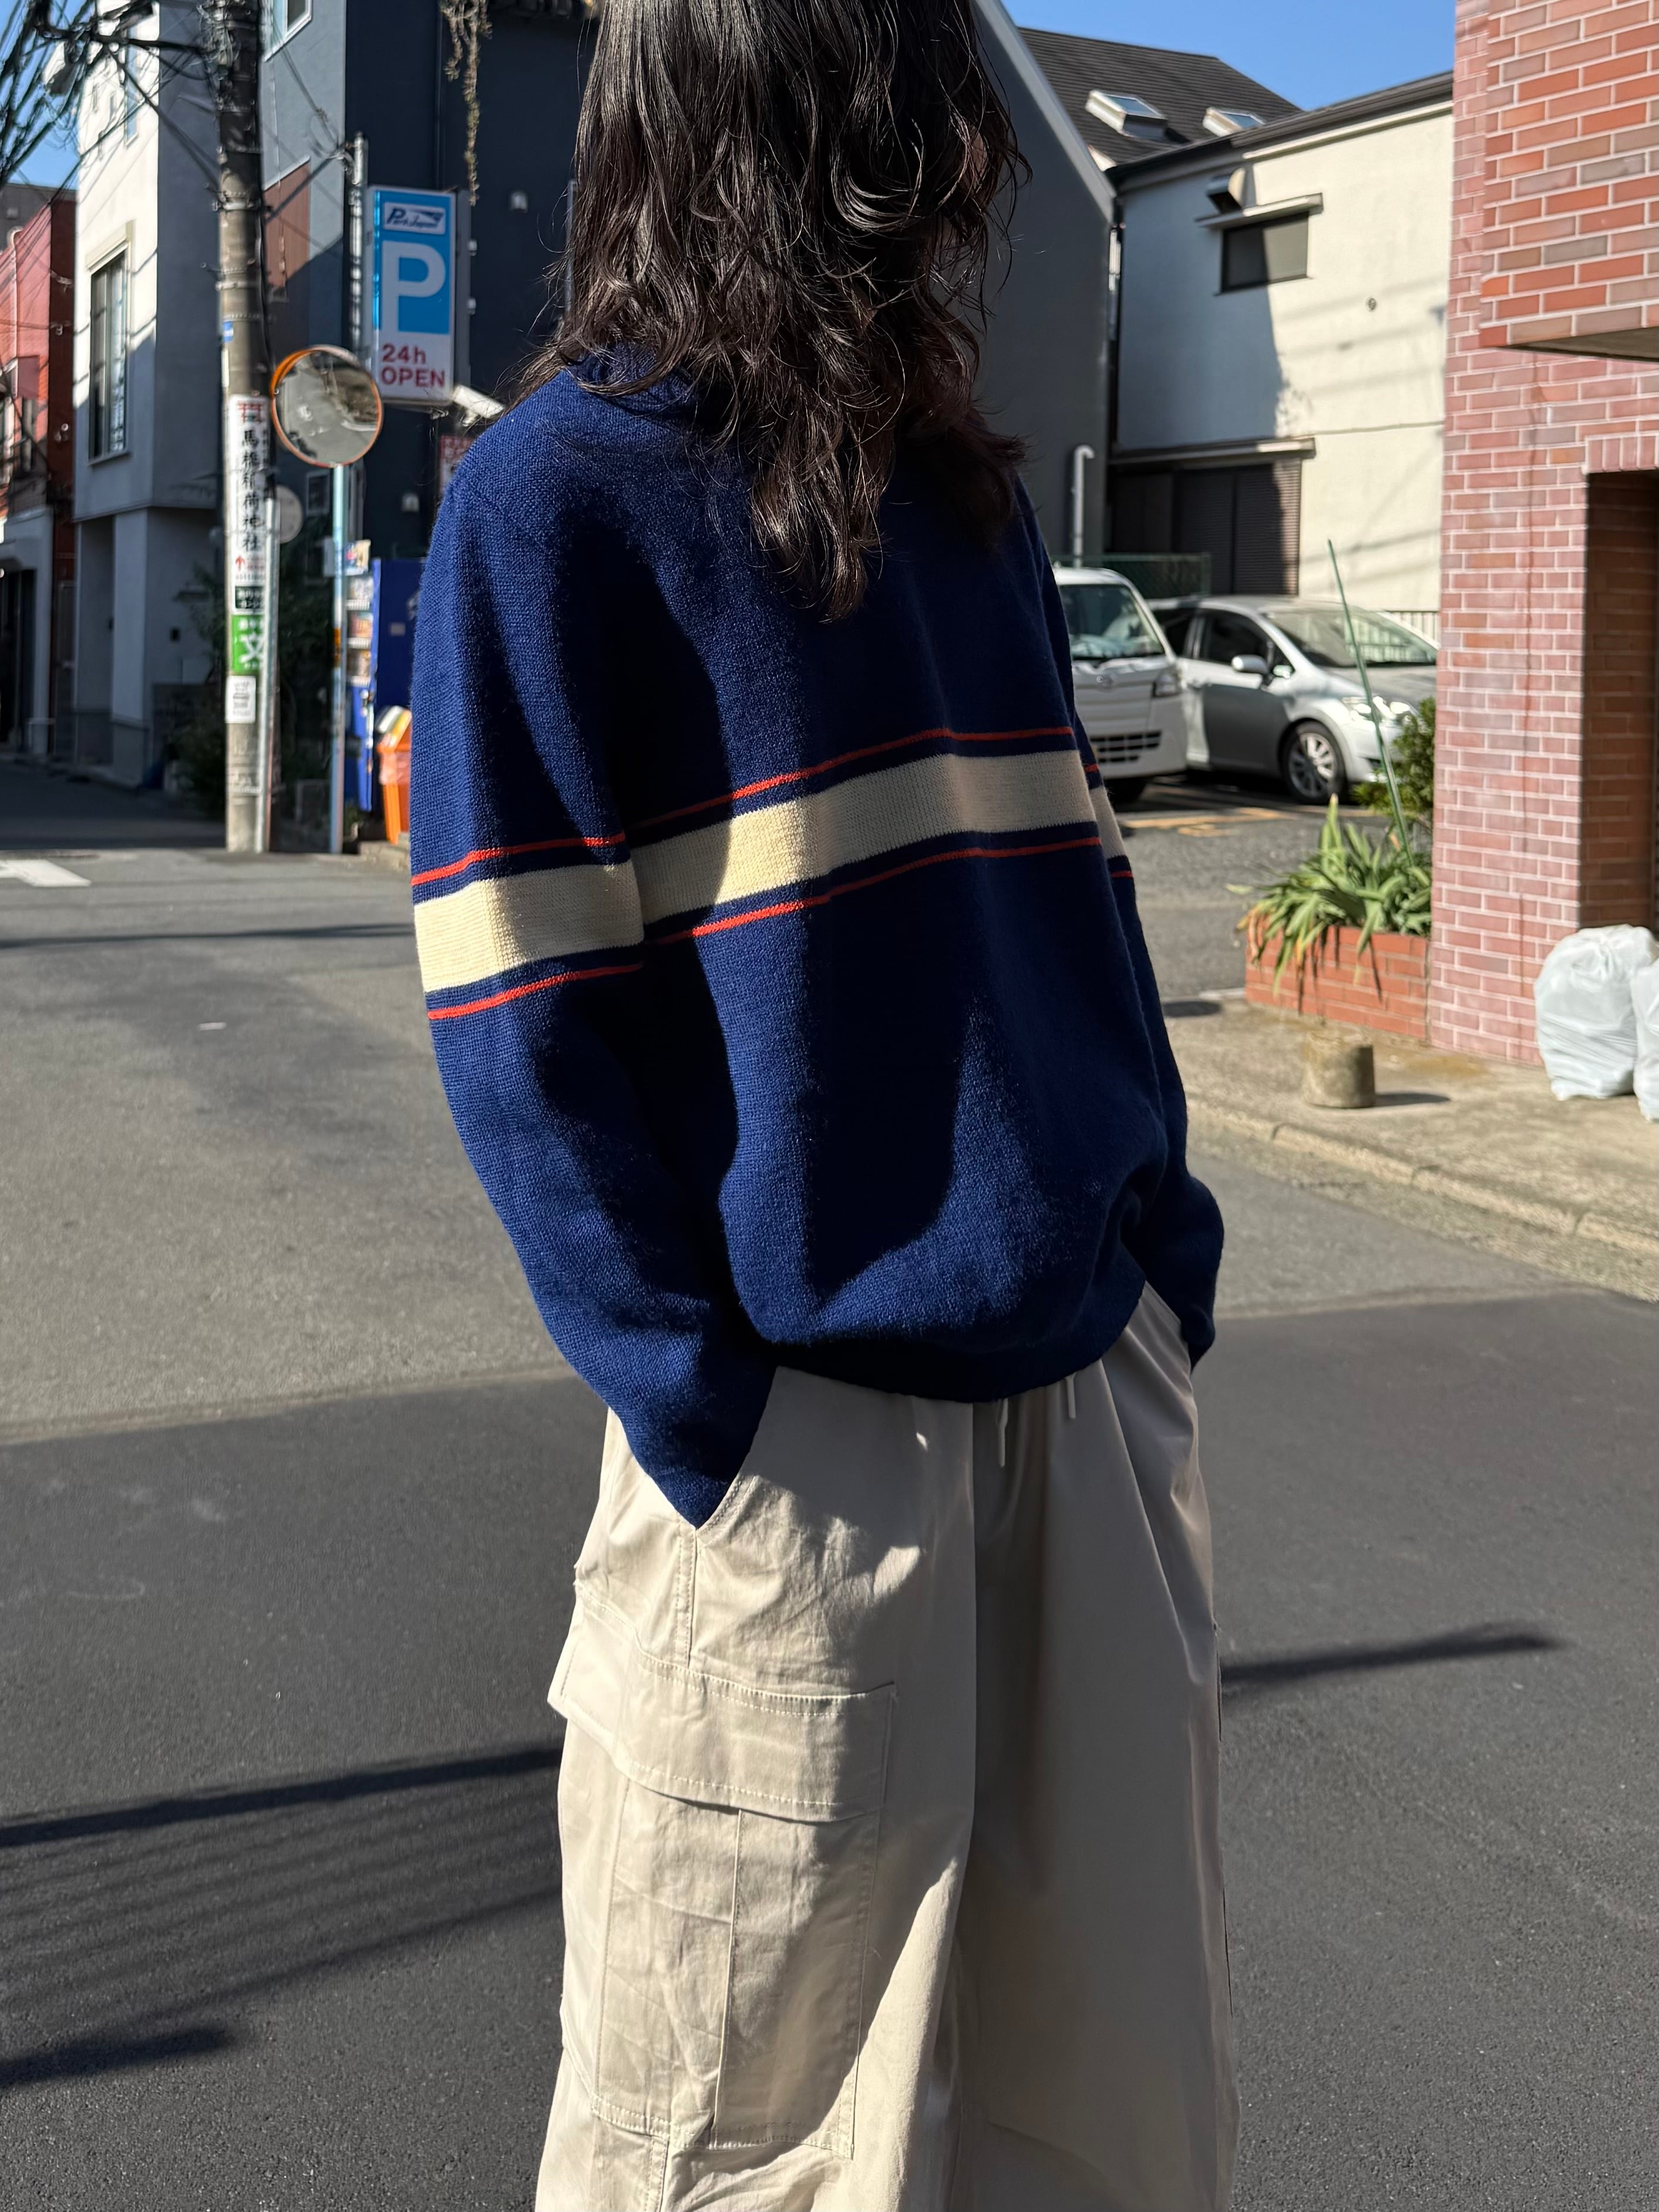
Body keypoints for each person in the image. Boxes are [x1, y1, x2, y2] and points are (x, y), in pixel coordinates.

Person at [409, 1, 1234, 2204]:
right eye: (917, 93)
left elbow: (1084, 900)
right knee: (737, 2141)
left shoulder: (962, 495)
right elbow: (521, 1029)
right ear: (798, 113)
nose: (963, 152)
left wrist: (1160, 1260)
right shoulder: (550, 503)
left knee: (1105, 2123)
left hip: (1082, 1407)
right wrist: (713, 1412)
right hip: (801, 1459)